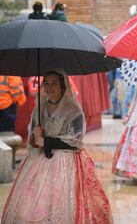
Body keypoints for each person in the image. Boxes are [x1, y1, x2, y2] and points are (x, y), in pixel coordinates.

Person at [1, 69, 113, 223]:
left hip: (67, 161)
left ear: (63, 86)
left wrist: (47, 141)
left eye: (54, 83)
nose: (49, 87)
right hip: (39, 161)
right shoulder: (39, 109)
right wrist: (36, 137)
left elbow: (76, 141)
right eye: (46, 83)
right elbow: (33, 143)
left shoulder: (73, 109)